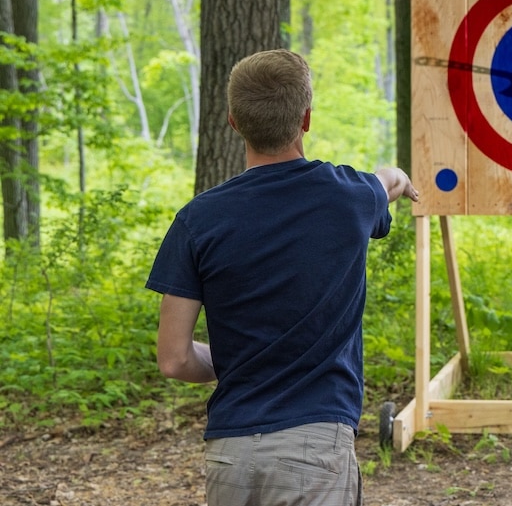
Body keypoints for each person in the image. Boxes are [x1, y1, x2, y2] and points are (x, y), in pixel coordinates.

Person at [146, 48, 418, 506]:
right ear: (306, 118)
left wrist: (243, 359)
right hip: (315, 450)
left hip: (230, 455)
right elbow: (387, 181)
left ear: (233, 121)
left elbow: (173, 359)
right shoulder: (348, 198)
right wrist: (401, 178)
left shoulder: (197, 219)